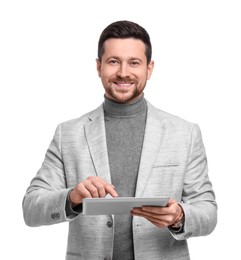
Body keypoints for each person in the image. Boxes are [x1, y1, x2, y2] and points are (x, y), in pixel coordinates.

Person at [22, 20, 217, 260]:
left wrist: (179, 216)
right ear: (98, 67)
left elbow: (208, 210)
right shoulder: (69, 133)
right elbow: (31, 208)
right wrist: (73, 197)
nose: (123, 72)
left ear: (149, 68)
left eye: (134, 62)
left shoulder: (184, 133)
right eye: (114, 61)